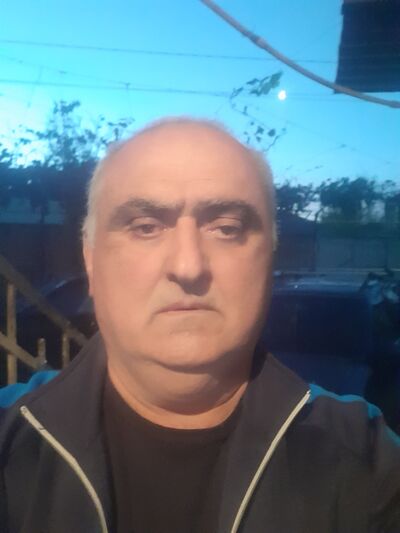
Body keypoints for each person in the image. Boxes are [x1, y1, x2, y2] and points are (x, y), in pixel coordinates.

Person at [0, 118, 399, 533]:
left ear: (270, 259)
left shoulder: (364, 459)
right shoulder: (10, 439)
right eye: (146, 227)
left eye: (226, 229)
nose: (188, 266)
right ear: (90, 261)